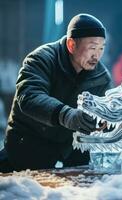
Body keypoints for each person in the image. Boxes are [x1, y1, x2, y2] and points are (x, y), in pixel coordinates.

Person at [0, 14, 113, 172]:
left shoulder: (101, 77)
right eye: (92, 47)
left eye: (101, 48)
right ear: (71, 44)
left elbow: (106, 114)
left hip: (68, 149)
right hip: (25, 146)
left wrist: (109, 121)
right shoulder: (41, 59)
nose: (97, 55)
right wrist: (66, 115)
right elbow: (29, 97)